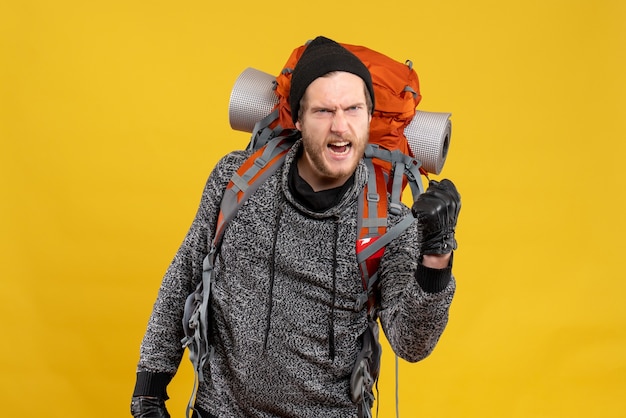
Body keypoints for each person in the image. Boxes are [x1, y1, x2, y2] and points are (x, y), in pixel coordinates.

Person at [130, 36, 461, 418]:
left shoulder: (389, 224)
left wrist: (437, 255)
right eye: (323, 111)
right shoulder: (236, 181)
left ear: (369, 118)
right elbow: (184, 274)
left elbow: (412, 343)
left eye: (353, 109)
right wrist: (149, 391)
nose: (340, 127)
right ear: (298, 119)